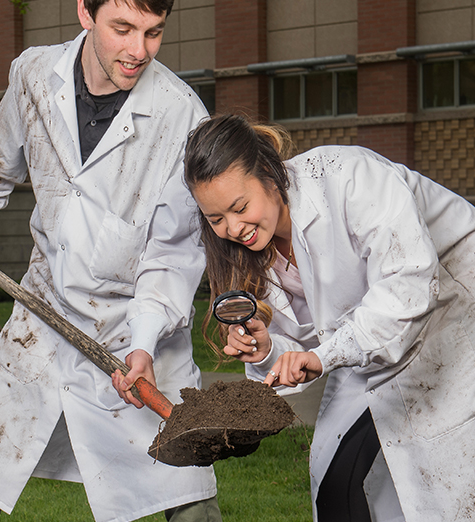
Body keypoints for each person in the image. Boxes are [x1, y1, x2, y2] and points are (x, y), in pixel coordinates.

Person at [0, 1, 222, 521]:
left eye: (154, 33)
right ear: (84, 13)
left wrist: (142, 344)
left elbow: (174, 253)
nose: (138, 50)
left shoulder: (181, 115)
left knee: (184, 493)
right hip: (42, 315)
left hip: (132, 326)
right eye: (123, 29)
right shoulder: (34, 73)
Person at [183, 113, 475, 522]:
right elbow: (306, 342)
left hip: (454, 316)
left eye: (239, 207)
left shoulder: (350, 177)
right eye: (216, 219)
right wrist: (268, 348)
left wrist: (326, 355)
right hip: (369, 343)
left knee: (445, 481)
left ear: (268, 173)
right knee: (336, 482)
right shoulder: (255, 252)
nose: (233, 228)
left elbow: (408, 287)